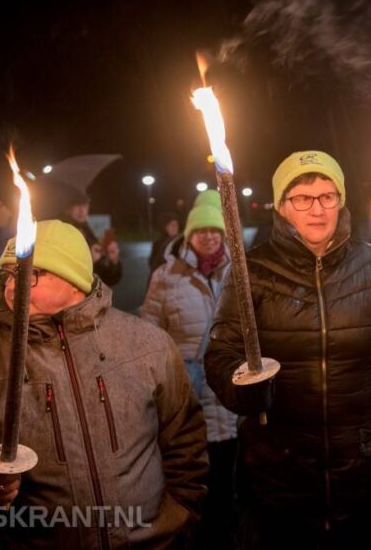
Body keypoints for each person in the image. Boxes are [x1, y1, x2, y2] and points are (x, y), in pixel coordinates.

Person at [0, 220, 208, 549]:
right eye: (7, 275)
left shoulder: (147, 345)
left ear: (73, 278)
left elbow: (184, 438)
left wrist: (180, 516)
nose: (10, 287)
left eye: (28, 274)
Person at [205, 150, 371, 550]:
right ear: (282, 207)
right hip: (278, 474)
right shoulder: (252, 272)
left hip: (356, 473)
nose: (316, 209)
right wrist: (244, 387)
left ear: (341, 201)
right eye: (302, 198)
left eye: (327, 196)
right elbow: (220, 355)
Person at [141, 194, 237, 549]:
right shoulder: (166, 277)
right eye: (202, 230)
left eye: (215, 230)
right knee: (194, 479)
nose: (209, 236)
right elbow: (149, 333)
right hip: (187, 395)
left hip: (231, 395)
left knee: (231, 480)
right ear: (188, 235)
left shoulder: (239, 272)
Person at [61, 194, 122, 286]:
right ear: (67, 208)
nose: (82, 210)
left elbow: (108, 280)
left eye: (85, 204)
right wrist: (90, 262)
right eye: (77, 204)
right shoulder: (62, 232)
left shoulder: (87, 230)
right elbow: (65, 275)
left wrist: (113, 261)